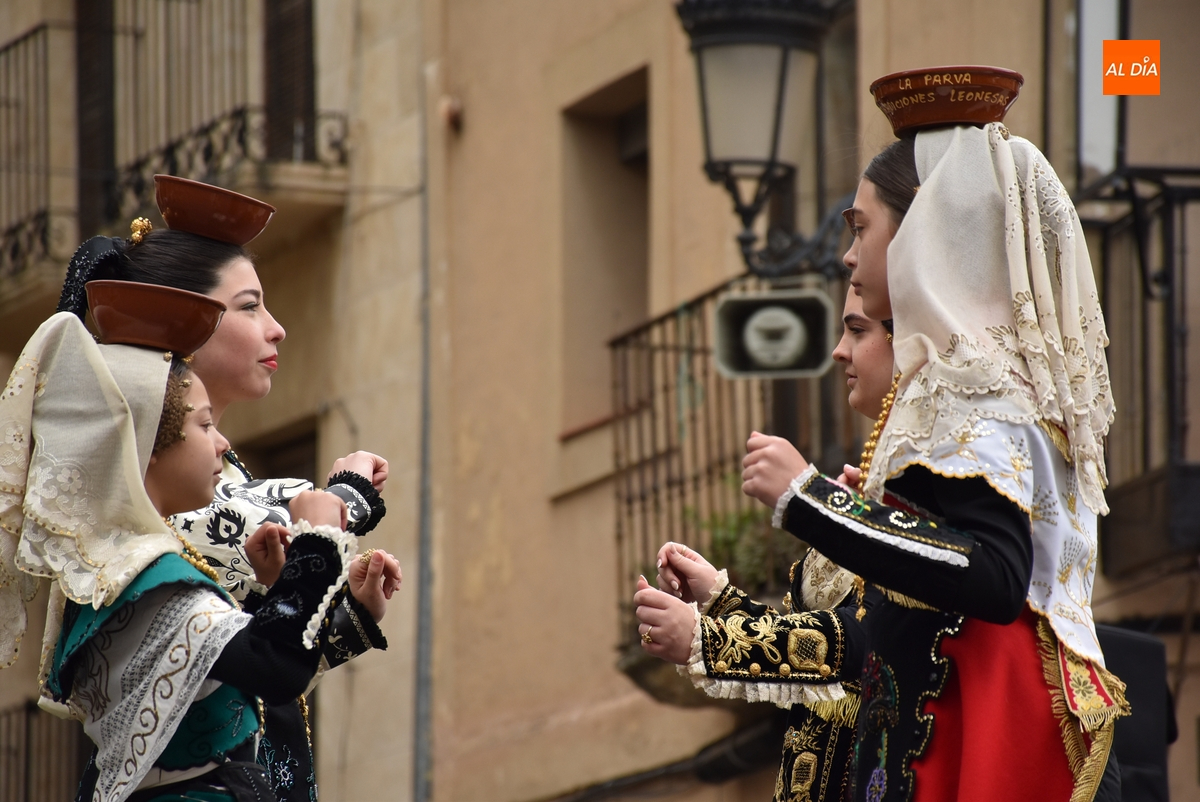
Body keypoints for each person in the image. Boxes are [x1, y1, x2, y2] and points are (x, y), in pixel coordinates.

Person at [735, 75, 1126, 801]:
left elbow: (995, 574)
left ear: (923, 228)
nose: (847, 255)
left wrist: (810, 498)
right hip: (939, 735)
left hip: (988, 740)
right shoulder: (960, 379)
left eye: (860, 228)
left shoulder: (971, 384)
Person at [56, 185, 401, 801]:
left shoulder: (209, 480)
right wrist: (340, 505)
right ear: (184, 324)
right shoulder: (152, 522)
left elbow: (251, 675)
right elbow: (272, 646)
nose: (277, 328)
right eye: (249, 307)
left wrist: (348, 613)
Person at [0, 302, 362, 801]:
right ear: (146, 444)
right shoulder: (147, 574)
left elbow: (236, 674)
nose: (223, 443)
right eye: (205, 425)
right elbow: (275, 668)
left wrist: (277, 587)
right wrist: (317, 540)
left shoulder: (119, 566)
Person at [634, 287, 893, 802]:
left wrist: (706, 640)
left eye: (856, 330)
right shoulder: (875, 476)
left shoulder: (922, 482)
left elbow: (868, 639)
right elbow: (815, 649)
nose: (839, 350)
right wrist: (716, 600)